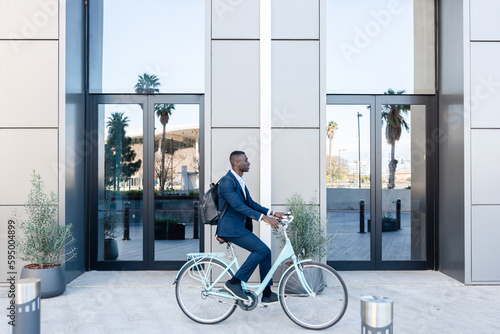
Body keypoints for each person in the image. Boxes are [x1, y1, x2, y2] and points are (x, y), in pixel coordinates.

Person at [217, 151, 285, 305]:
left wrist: (273, 213)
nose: (248, 163)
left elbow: (250, 203)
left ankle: (267, 293)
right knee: (261, 250)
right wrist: (263, 218)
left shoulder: (239, 180)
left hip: (238, 227)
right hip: (230, 228)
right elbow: (238, 206)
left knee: (265, 252)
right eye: (246, 160)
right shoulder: (227, 182)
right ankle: (234, 283)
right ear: (236, 163)